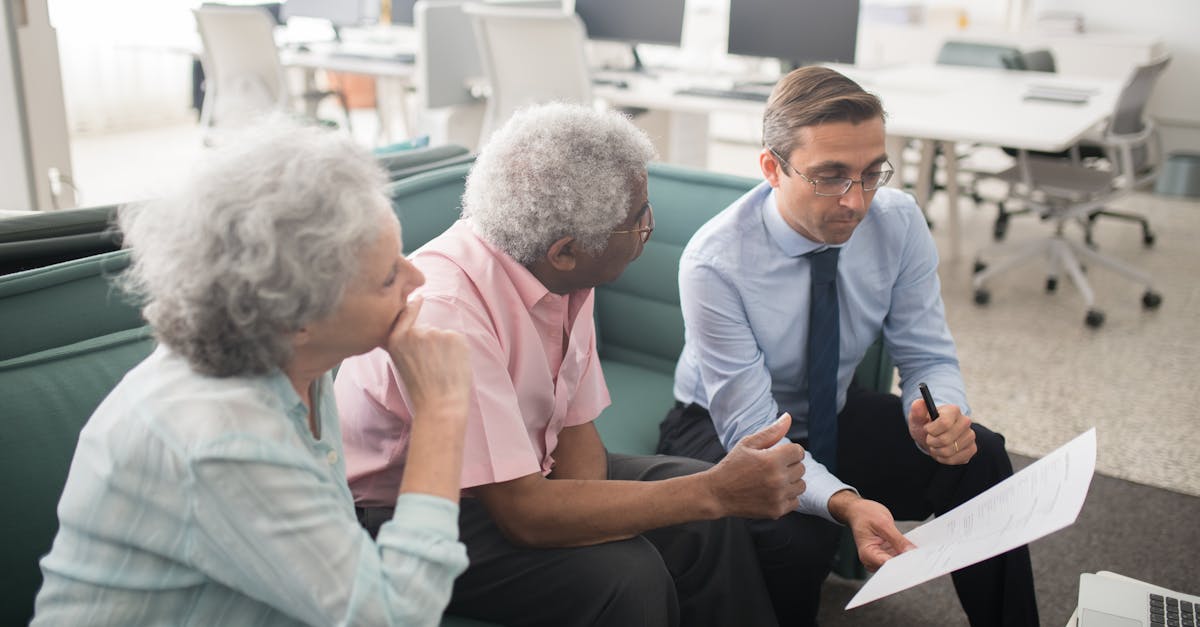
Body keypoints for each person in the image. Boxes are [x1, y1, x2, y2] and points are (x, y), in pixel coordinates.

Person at [335, 103, 816, 627]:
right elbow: (523, 515)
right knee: (631, 574)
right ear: (565, 250)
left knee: (708, 525)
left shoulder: (560, 272)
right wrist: (711, 493)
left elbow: (575, 434)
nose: (647, 230)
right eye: (639, 222)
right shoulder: (450, 312)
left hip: (521, 475)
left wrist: (624, 515)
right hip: (408, 510)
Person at [33, 121, 473, 627]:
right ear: (295, 317)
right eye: (388, 276)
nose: (417, 277)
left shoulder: (301, 364)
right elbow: (395, 616)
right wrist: (441, 412)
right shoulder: (222, 437)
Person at [658, 66, 1040, 627]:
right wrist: (846, 503)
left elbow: (927, 353)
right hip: (724, 425)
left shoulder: (899, 221)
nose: (856, 202)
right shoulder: (714, 262)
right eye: (831, 176)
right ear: (771, 168)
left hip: (830, 406)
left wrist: (941, 413)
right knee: (798, 539)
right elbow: (752, 431)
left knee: (979, 458)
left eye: (870, 173)